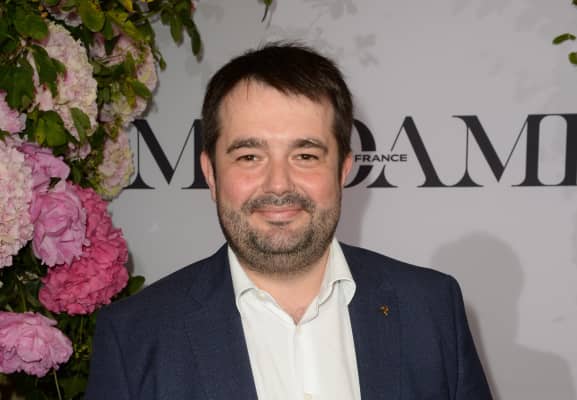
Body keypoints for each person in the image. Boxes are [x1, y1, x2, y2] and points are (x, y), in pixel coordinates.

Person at [85, 42, 492, 400]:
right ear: (210, 173)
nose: (278, 184)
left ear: (343, 170)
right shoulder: (136, 336)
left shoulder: (431, 308)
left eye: (306, 156)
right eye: (249, 156)